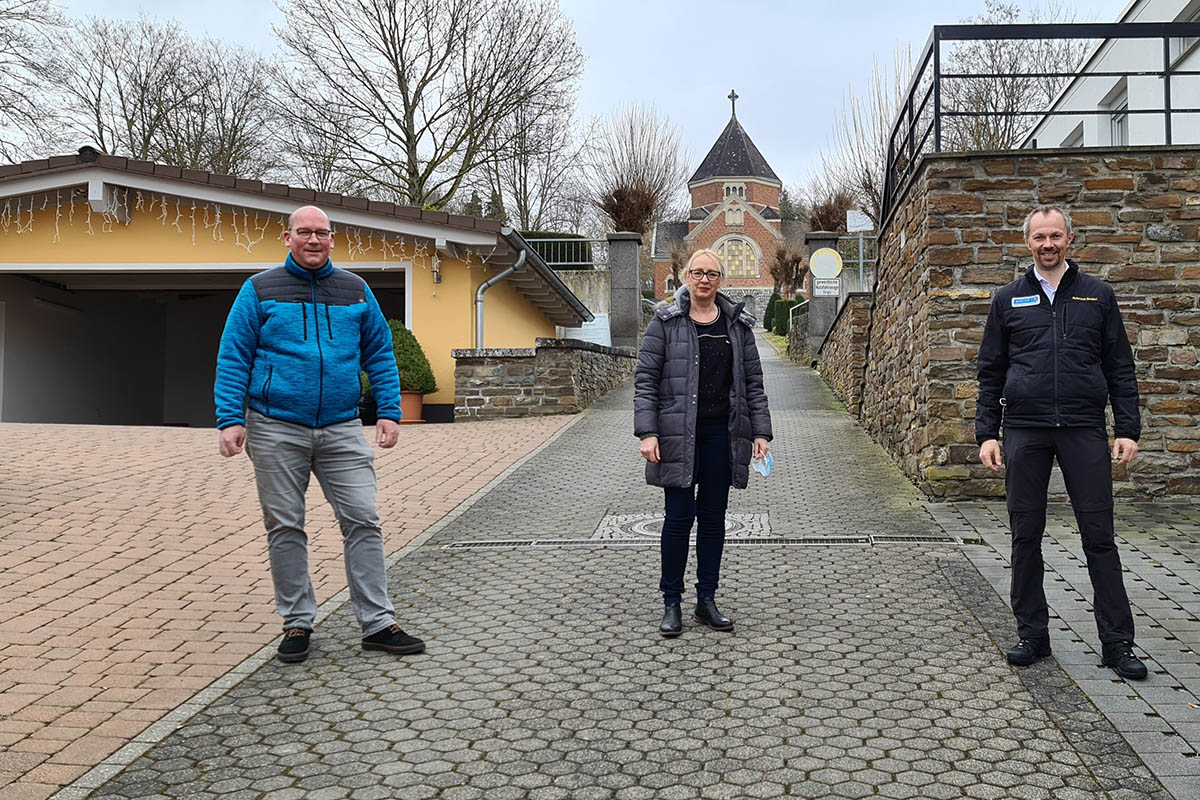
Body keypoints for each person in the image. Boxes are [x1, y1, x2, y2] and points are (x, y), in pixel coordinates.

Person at [215, 205, 424, 664]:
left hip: (341, 427)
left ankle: (378, 623)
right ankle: (296, 623)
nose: (313, 240)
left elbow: (380, 354)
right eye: (304, 232)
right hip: (273, 426)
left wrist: (389, 411)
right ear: (287, 237)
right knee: (285, 524)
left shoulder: (356, 290)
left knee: (363, 520)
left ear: (333, 239)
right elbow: (234, 356)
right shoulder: (258, 290)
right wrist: (230, 419)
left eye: (322, 233)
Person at [976, 205, 1145, 680]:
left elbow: (1120, 367)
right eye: (1038, 238)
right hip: (1025, 430)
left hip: (1082, 428)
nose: (1047, 245)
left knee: (1099, 538)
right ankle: (1033, 635)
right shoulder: (1008, 298)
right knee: (1025, 536)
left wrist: (1127, 428)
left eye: (1055, 236)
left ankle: (1117, 643)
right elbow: (990, 372)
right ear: (1027, 243)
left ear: (1070, 239)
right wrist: (987, 433)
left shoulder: (1098, 295)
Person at [634, 249, 772, 638]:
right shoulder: (665, 323)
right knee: (678, 518)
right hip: (677, 434)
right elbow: (645, 381)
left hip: (721, 436)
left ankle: (706, 600)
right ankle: (672, 602)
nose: (704, 279)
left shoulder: (737, 326)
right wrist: (648, 432)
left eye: (712, 273)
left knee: (713, 519)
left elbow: (754, 386)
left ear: (720, 279)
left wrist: (760, 432)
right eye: (697, 272)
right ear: (685, 276)